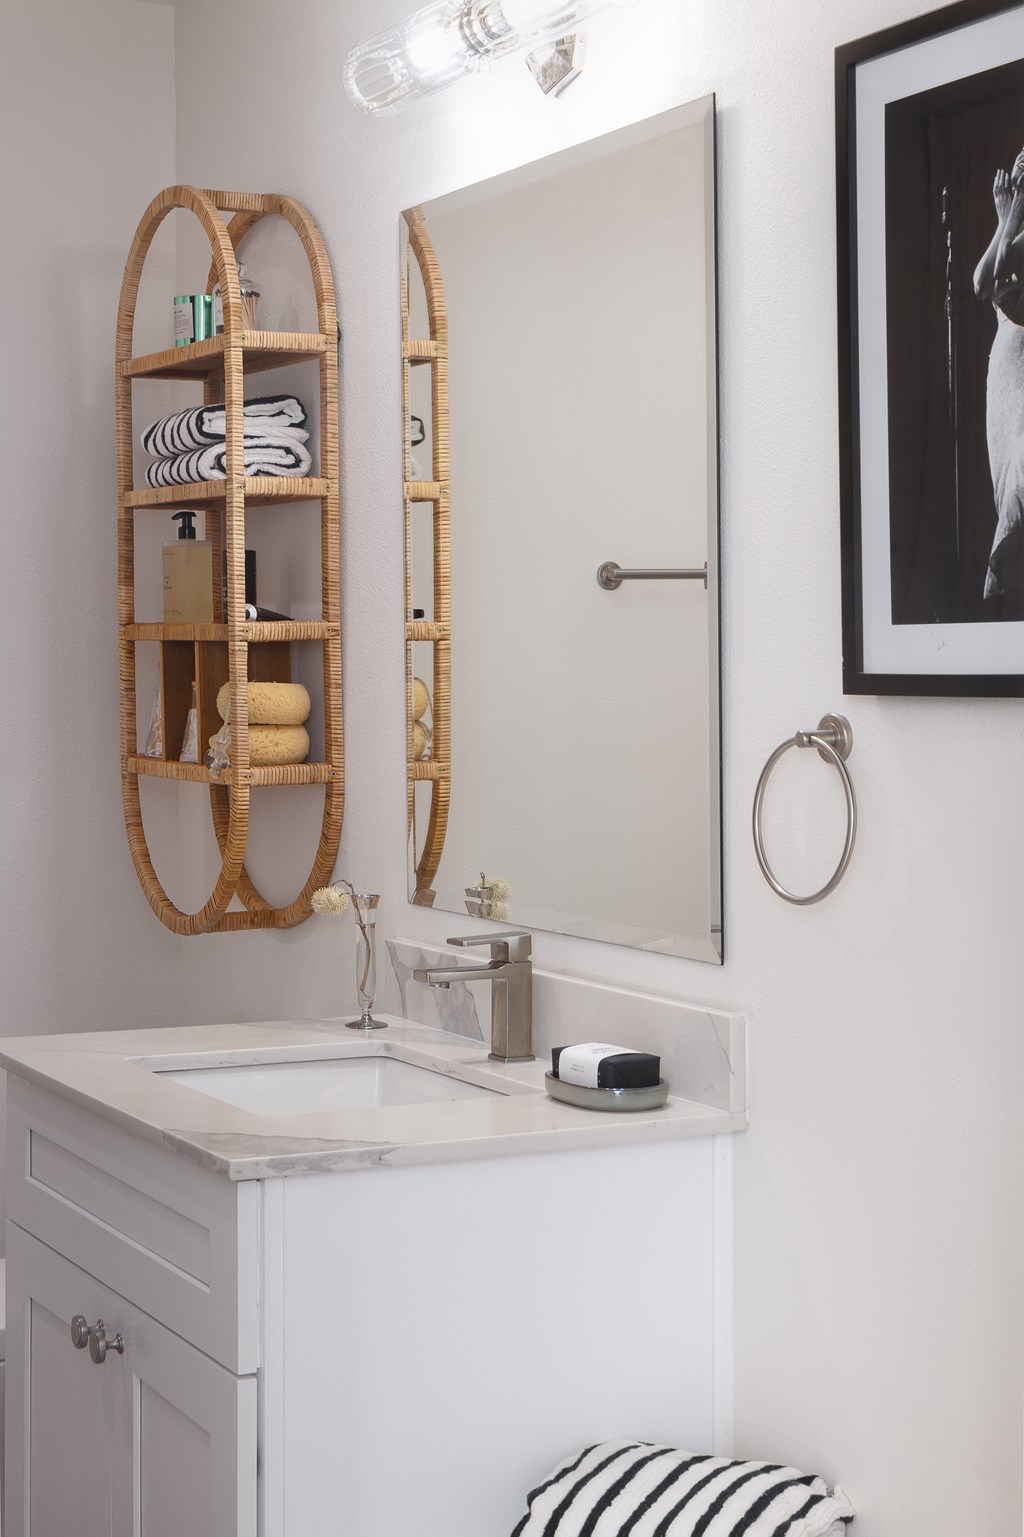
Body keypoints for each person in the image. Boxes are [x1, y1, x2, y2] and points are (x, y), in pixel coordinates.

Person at [974, 148, 1024, 601]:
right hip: (1004, 374)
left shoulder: (1018, 234)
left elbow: (1005, 267)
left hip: (1022, 367)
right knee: (1004, 473)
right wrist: (1003, 220)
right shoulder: (1011, 227)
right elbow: (980, 283)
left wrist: (1008, 220)